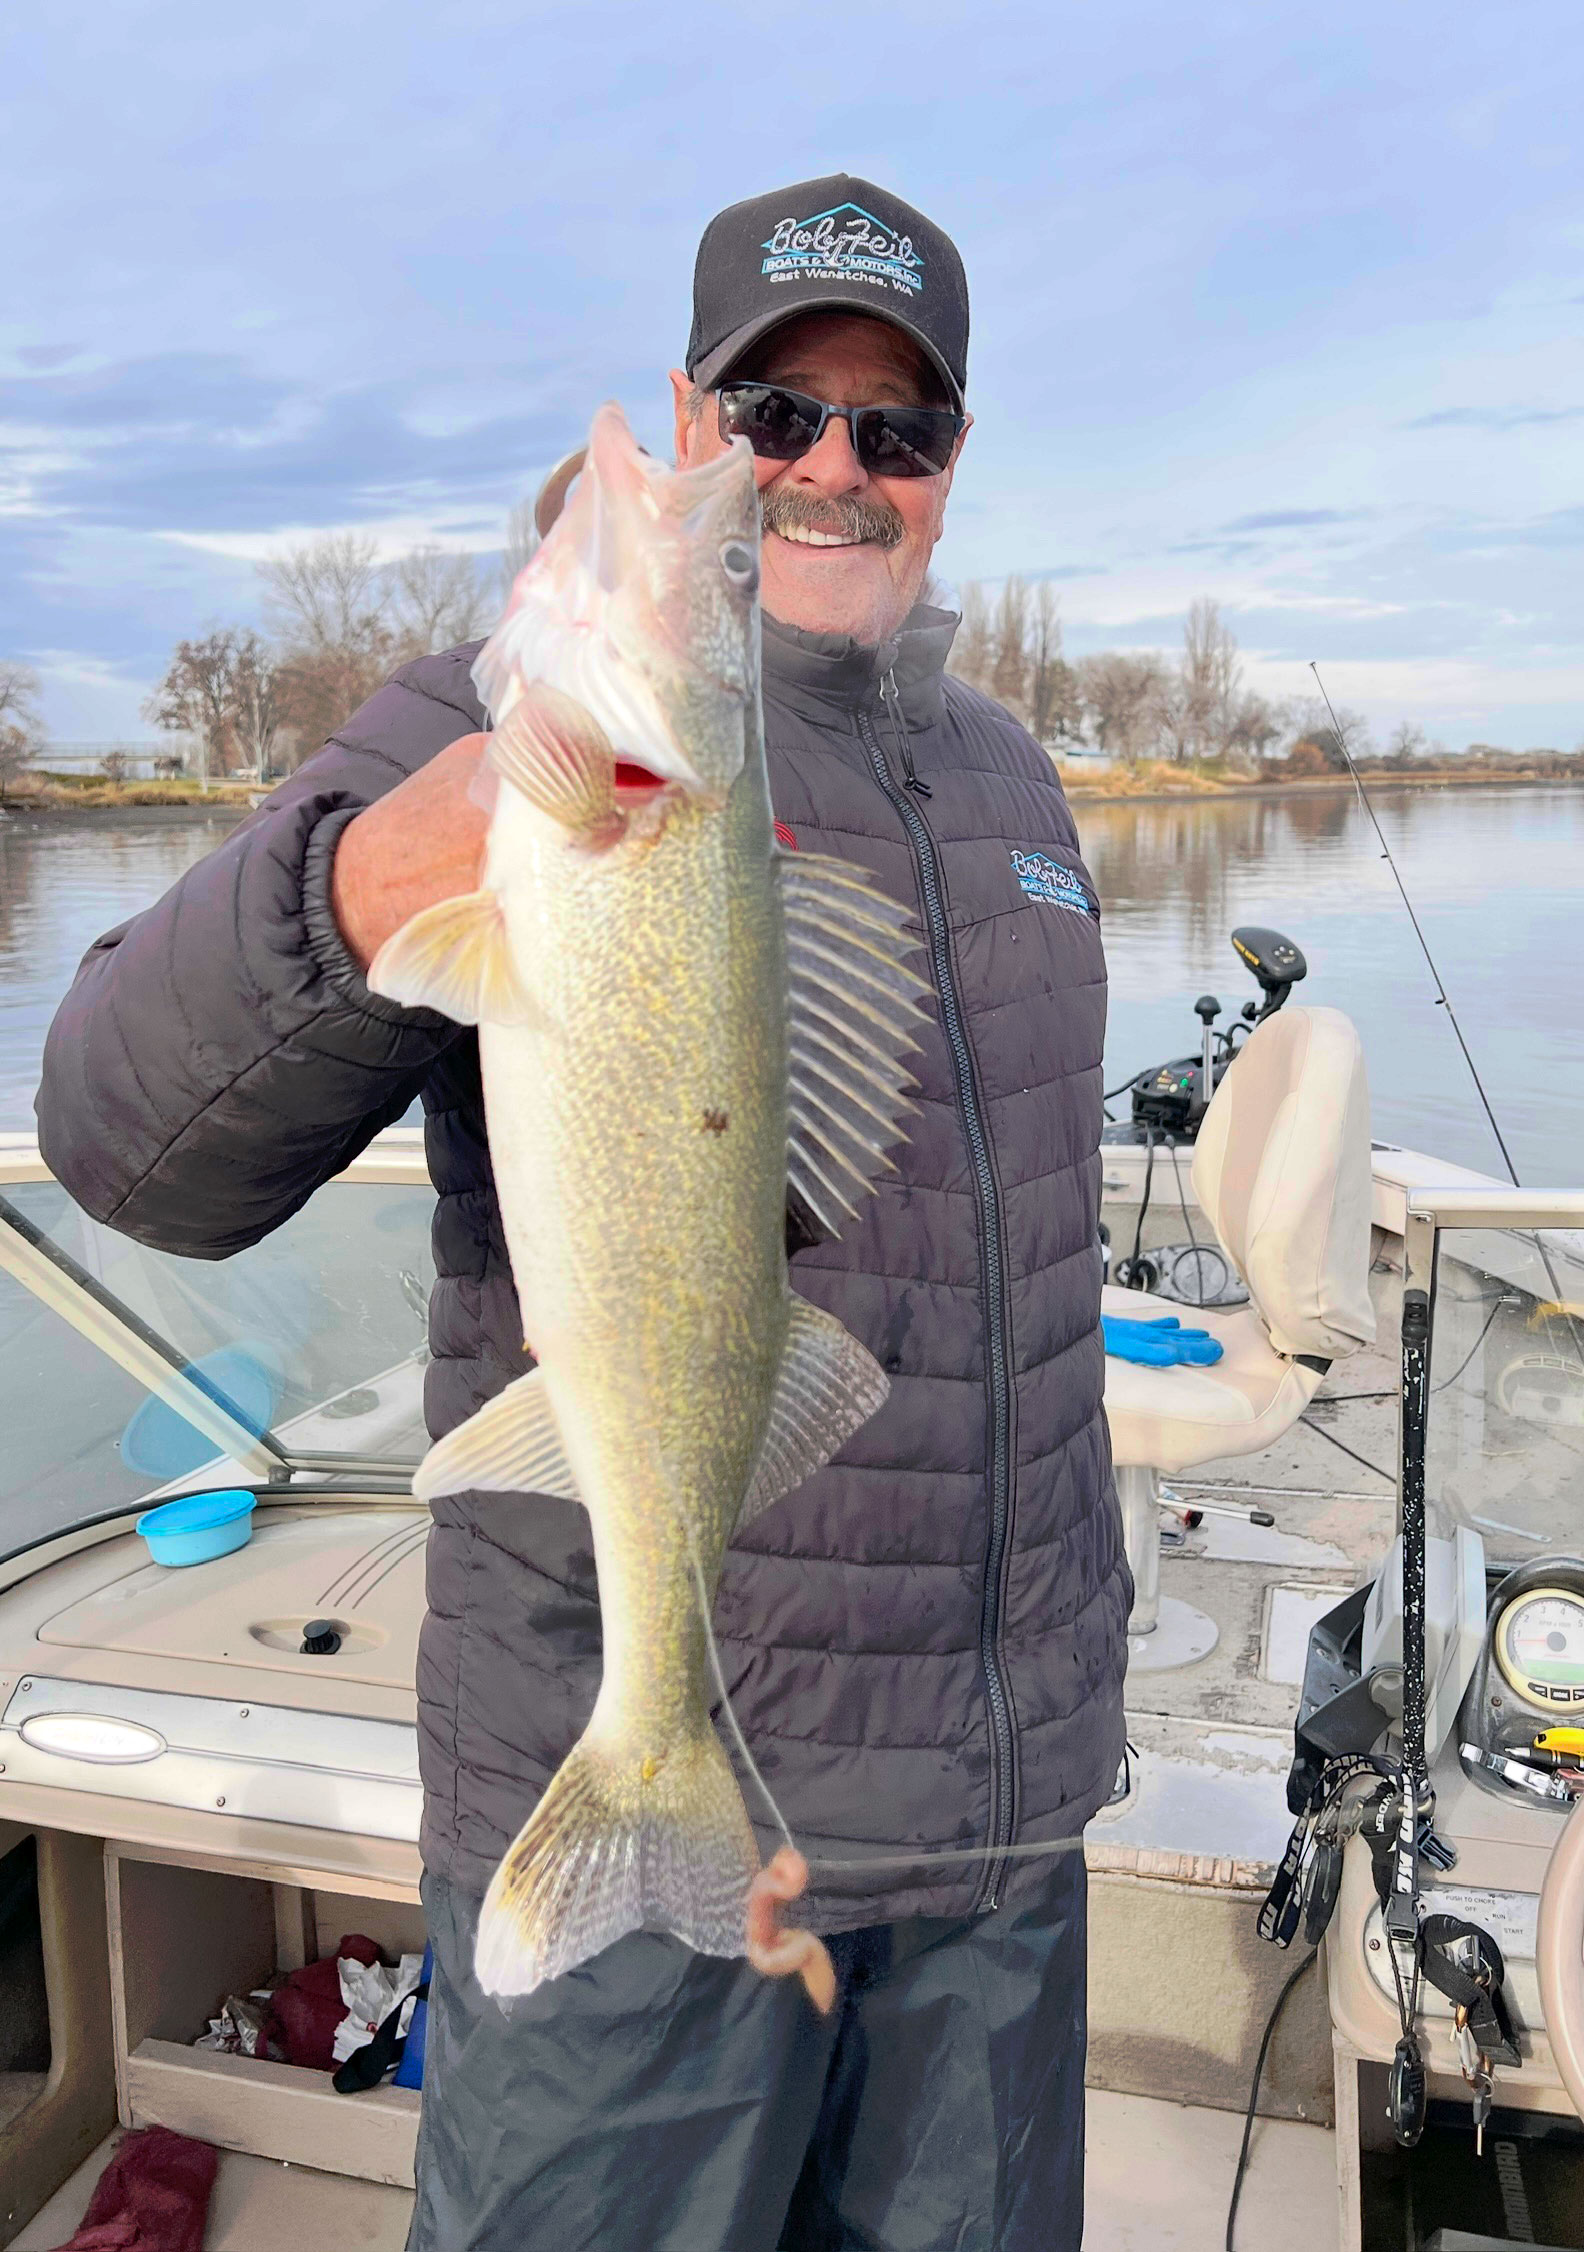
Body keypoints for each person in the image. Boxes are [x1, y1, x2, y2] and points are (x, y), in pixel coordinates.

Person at [37, 175, 1128, 2251]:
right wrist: (378, 874)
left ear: (953, 466)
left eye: (896, 431)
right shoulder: (492, 732)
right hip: (650, 1861)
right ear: (690, 418)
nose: (830, 469)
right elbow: (119, 1139)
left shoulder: (1009, 777)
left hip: (992, 1849)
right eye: (774, 408)